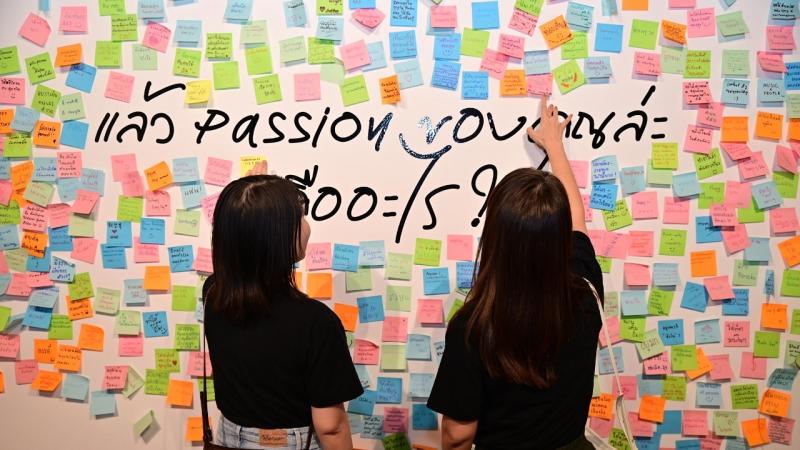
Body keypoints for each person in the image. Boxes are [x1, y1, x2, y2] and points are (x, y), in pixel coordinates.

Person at [427, 98, 603, 450]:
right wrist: (555, 146)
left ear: (495, 236)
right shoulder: (585, 292)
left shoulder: (474, 326)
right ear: (559, 235)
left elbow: (458, 435)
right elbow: (577, 218)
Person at [203, 161, 364, 450]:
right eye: (300, 217)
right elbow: (331, 426)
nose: (307, 226)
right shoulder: (316, 323)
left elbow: (239, 239)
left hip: (227, 440)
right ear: (278, 236)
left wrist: (250, 197)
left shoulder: (213, 293)